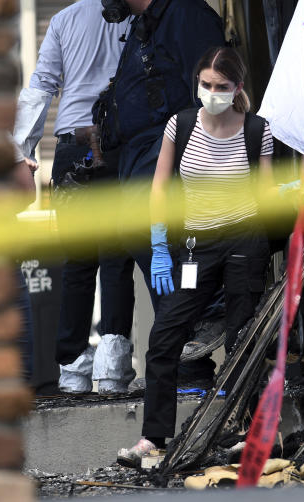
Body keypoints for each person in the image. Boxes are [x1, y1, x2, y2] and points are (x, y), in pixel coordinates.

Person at [79, 0, 229, 387]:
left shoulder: (186, 17)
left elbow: (214, 97)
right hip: (137, 173)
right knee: (164, 290)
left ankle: (201, 355)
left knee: (184, 290)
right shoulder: (145, 26)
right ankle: (189, 381)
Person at [117, 47, 274, 467]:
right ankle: (153, 438)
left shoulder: (258, 131)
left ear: (237, 88)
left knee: (244, 338)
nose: (212, 93)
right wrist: (157, 248)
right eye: (206, 84)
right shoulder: (180, 125)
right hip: (195, 245)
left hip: (244, 240)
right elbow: (158, 189)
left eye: (222, 87)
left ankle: (246, 431)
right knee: (165, 337)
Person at [11, 0, 137, 395]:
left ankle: (71, 368)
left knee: (78, 261)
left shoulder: (64, 20)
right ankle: (112, 370)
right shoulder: (137, 15)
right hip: (122, 143)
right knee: (117, 255)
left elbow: (41, 84)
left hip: (72, 148)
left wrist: (22, 149)